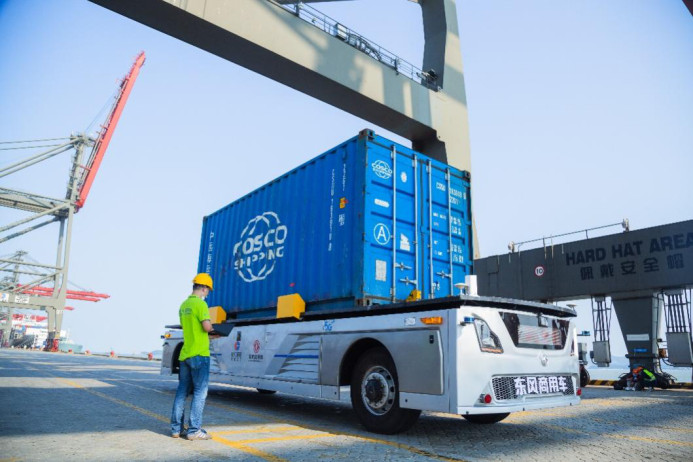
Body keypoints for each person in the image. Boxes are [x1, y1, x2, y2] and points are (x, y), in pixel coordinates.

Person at [170, 273, 215, 440]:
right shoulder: (201, 304)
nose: (207, 293)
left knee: (182, 392)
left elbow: (189, 328)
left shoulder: (184, 305)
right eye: (208, 290)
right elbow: (206, 327)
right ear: (204, 288)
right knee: (200, 393)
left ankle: (176, 429)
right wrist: (215, 332)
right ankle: (194, 430)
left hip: (185, 354)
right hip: (199, 354)